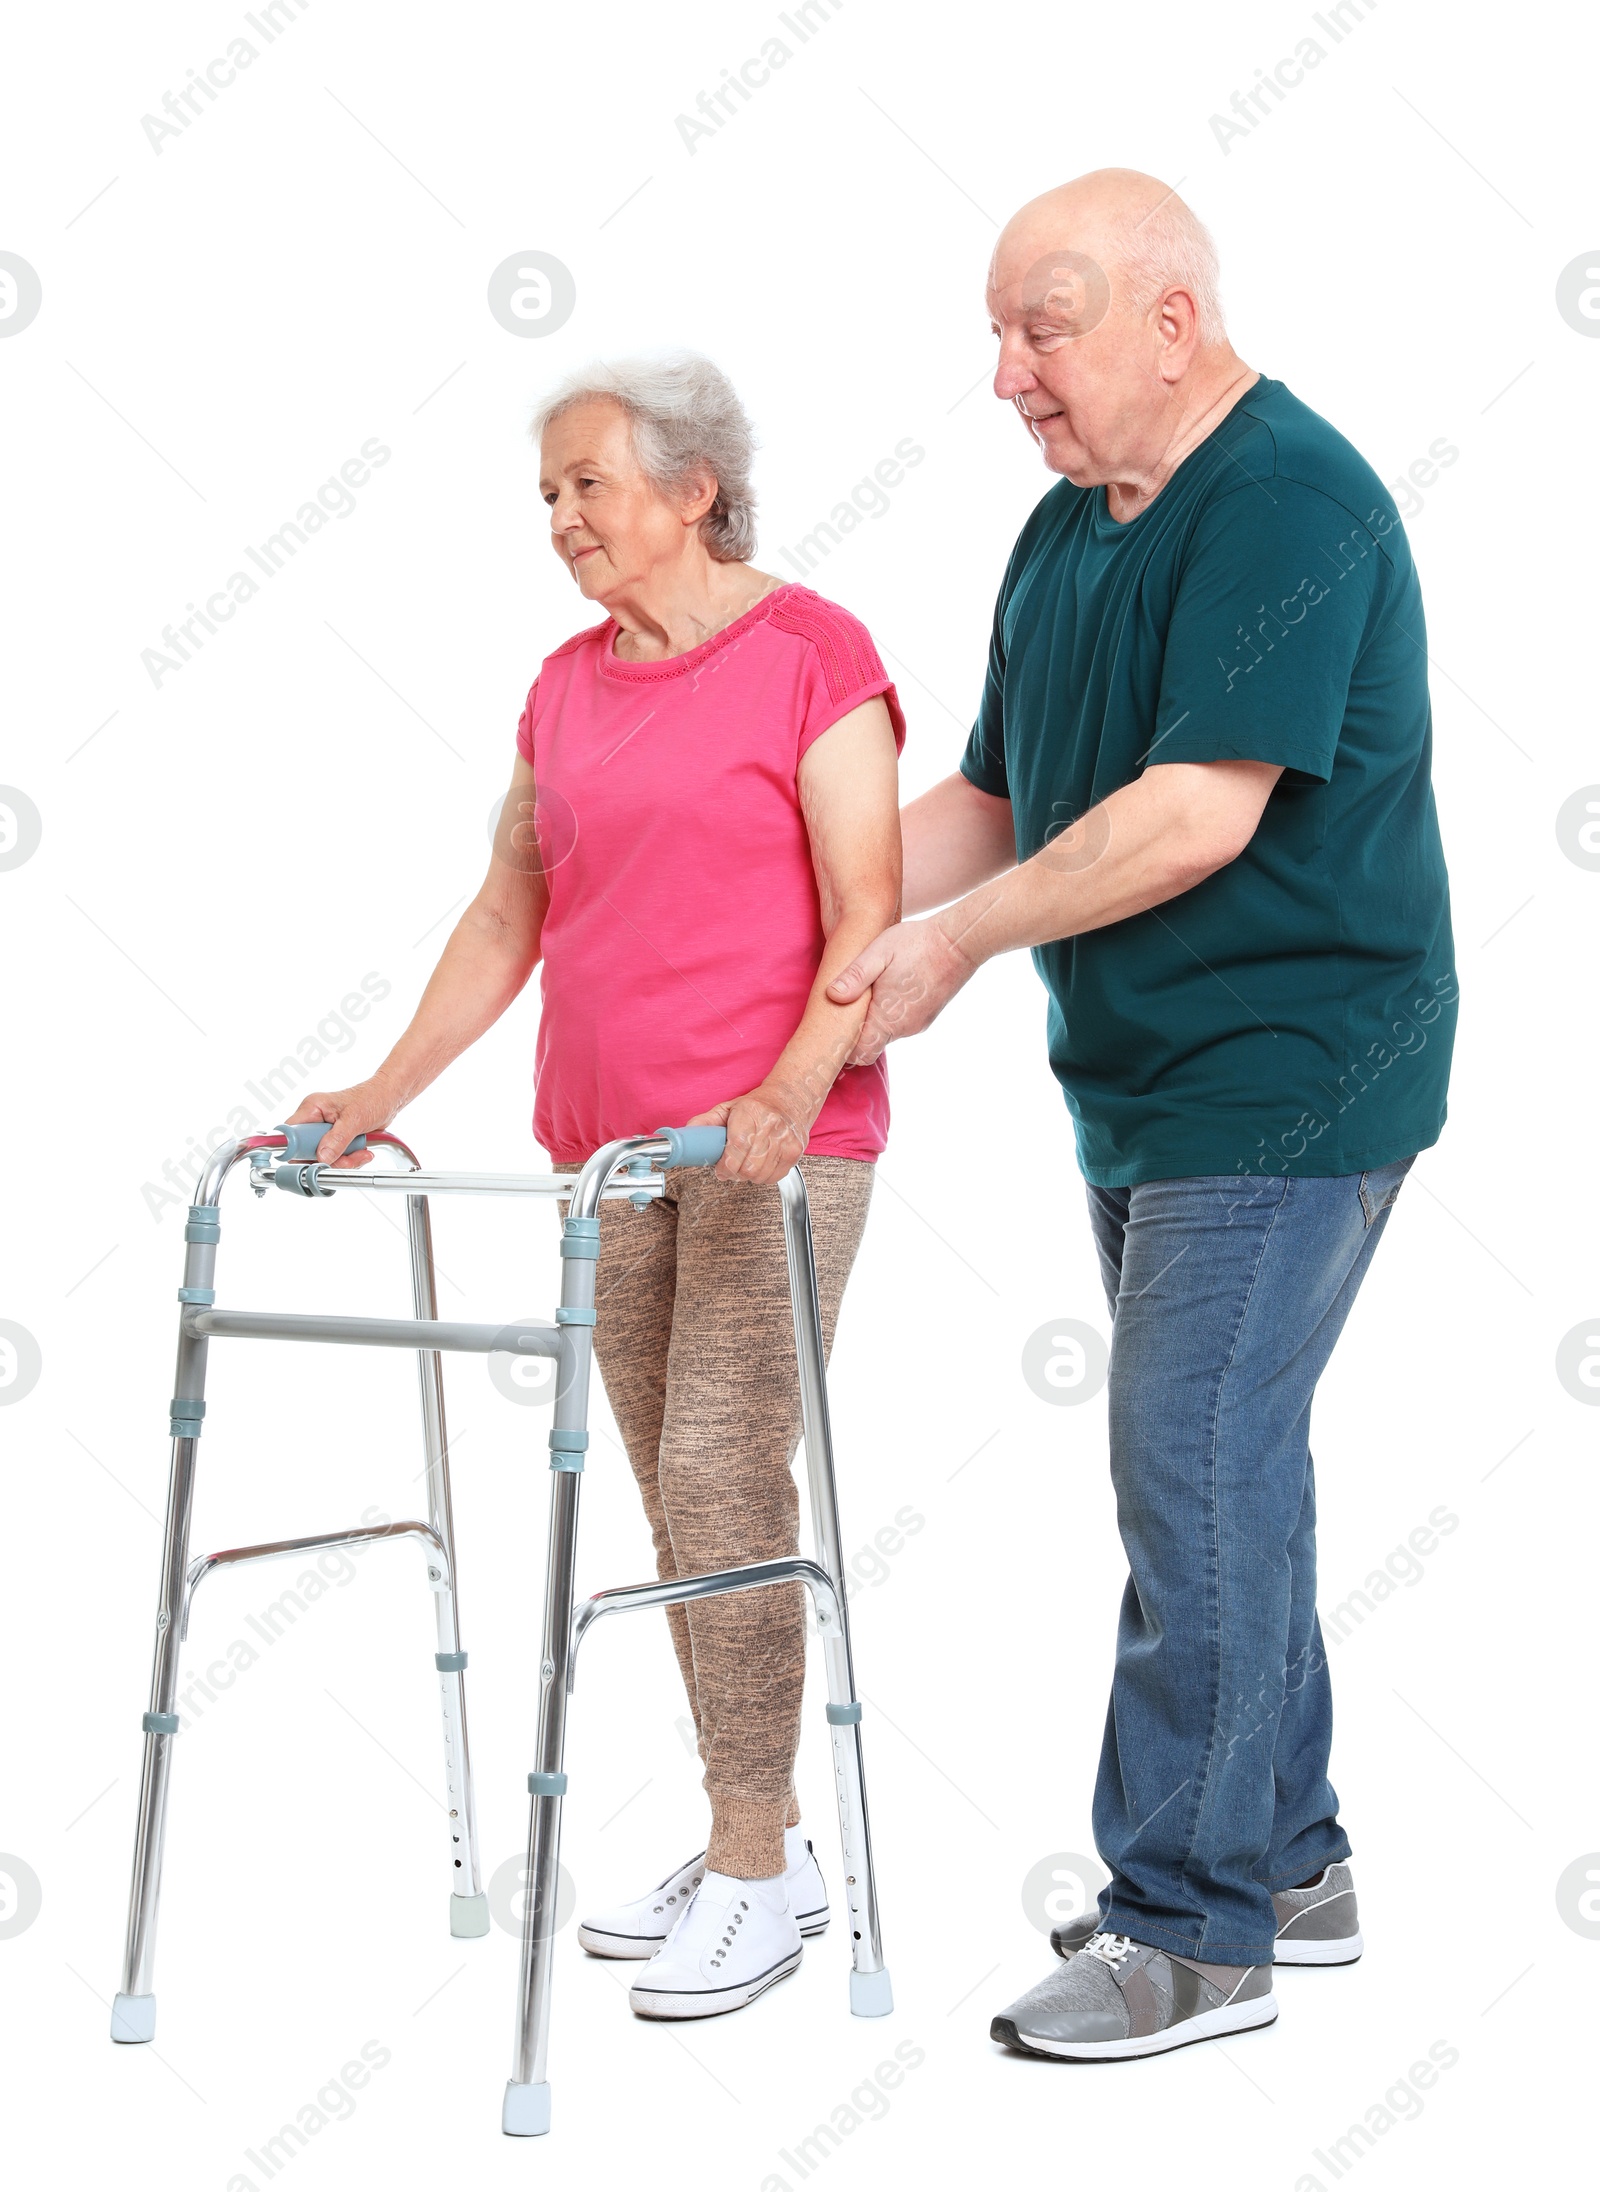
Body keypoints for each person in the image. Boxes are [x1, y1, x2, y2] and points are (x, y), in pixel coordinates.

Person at [829, 170, 1456, 2061]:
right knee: (1229, 1460)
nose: (1008, 373)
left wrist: (942, 953)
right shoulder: (1065, 532)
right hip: (1148, 1086)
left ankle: (1188, 1929)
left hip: (1296, 1076)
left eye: (1045, 329)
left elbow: (1198, 809)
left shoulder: (1284, 499)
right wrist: (807, 901)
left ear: (1168, 320)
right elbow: (997, 799)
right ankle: (1289, 1854)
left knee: (1188, 1457)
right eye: (999, 334)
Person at [288, 353, 904, 2021]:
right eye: (548, 495)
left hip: (777, 1150)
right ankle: (748, 1837)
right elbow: (508, 915)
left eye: (588, 485)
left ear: (693, 488)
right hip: (610, 1161)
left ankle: (763, 1872)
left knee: (718, 1469)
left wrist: (790, 1089)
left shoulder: (812, 658)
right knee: (676, 1492)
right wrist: (377, 1091)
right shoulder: (562, 689)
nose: (562, 519)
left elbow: (870, 902)